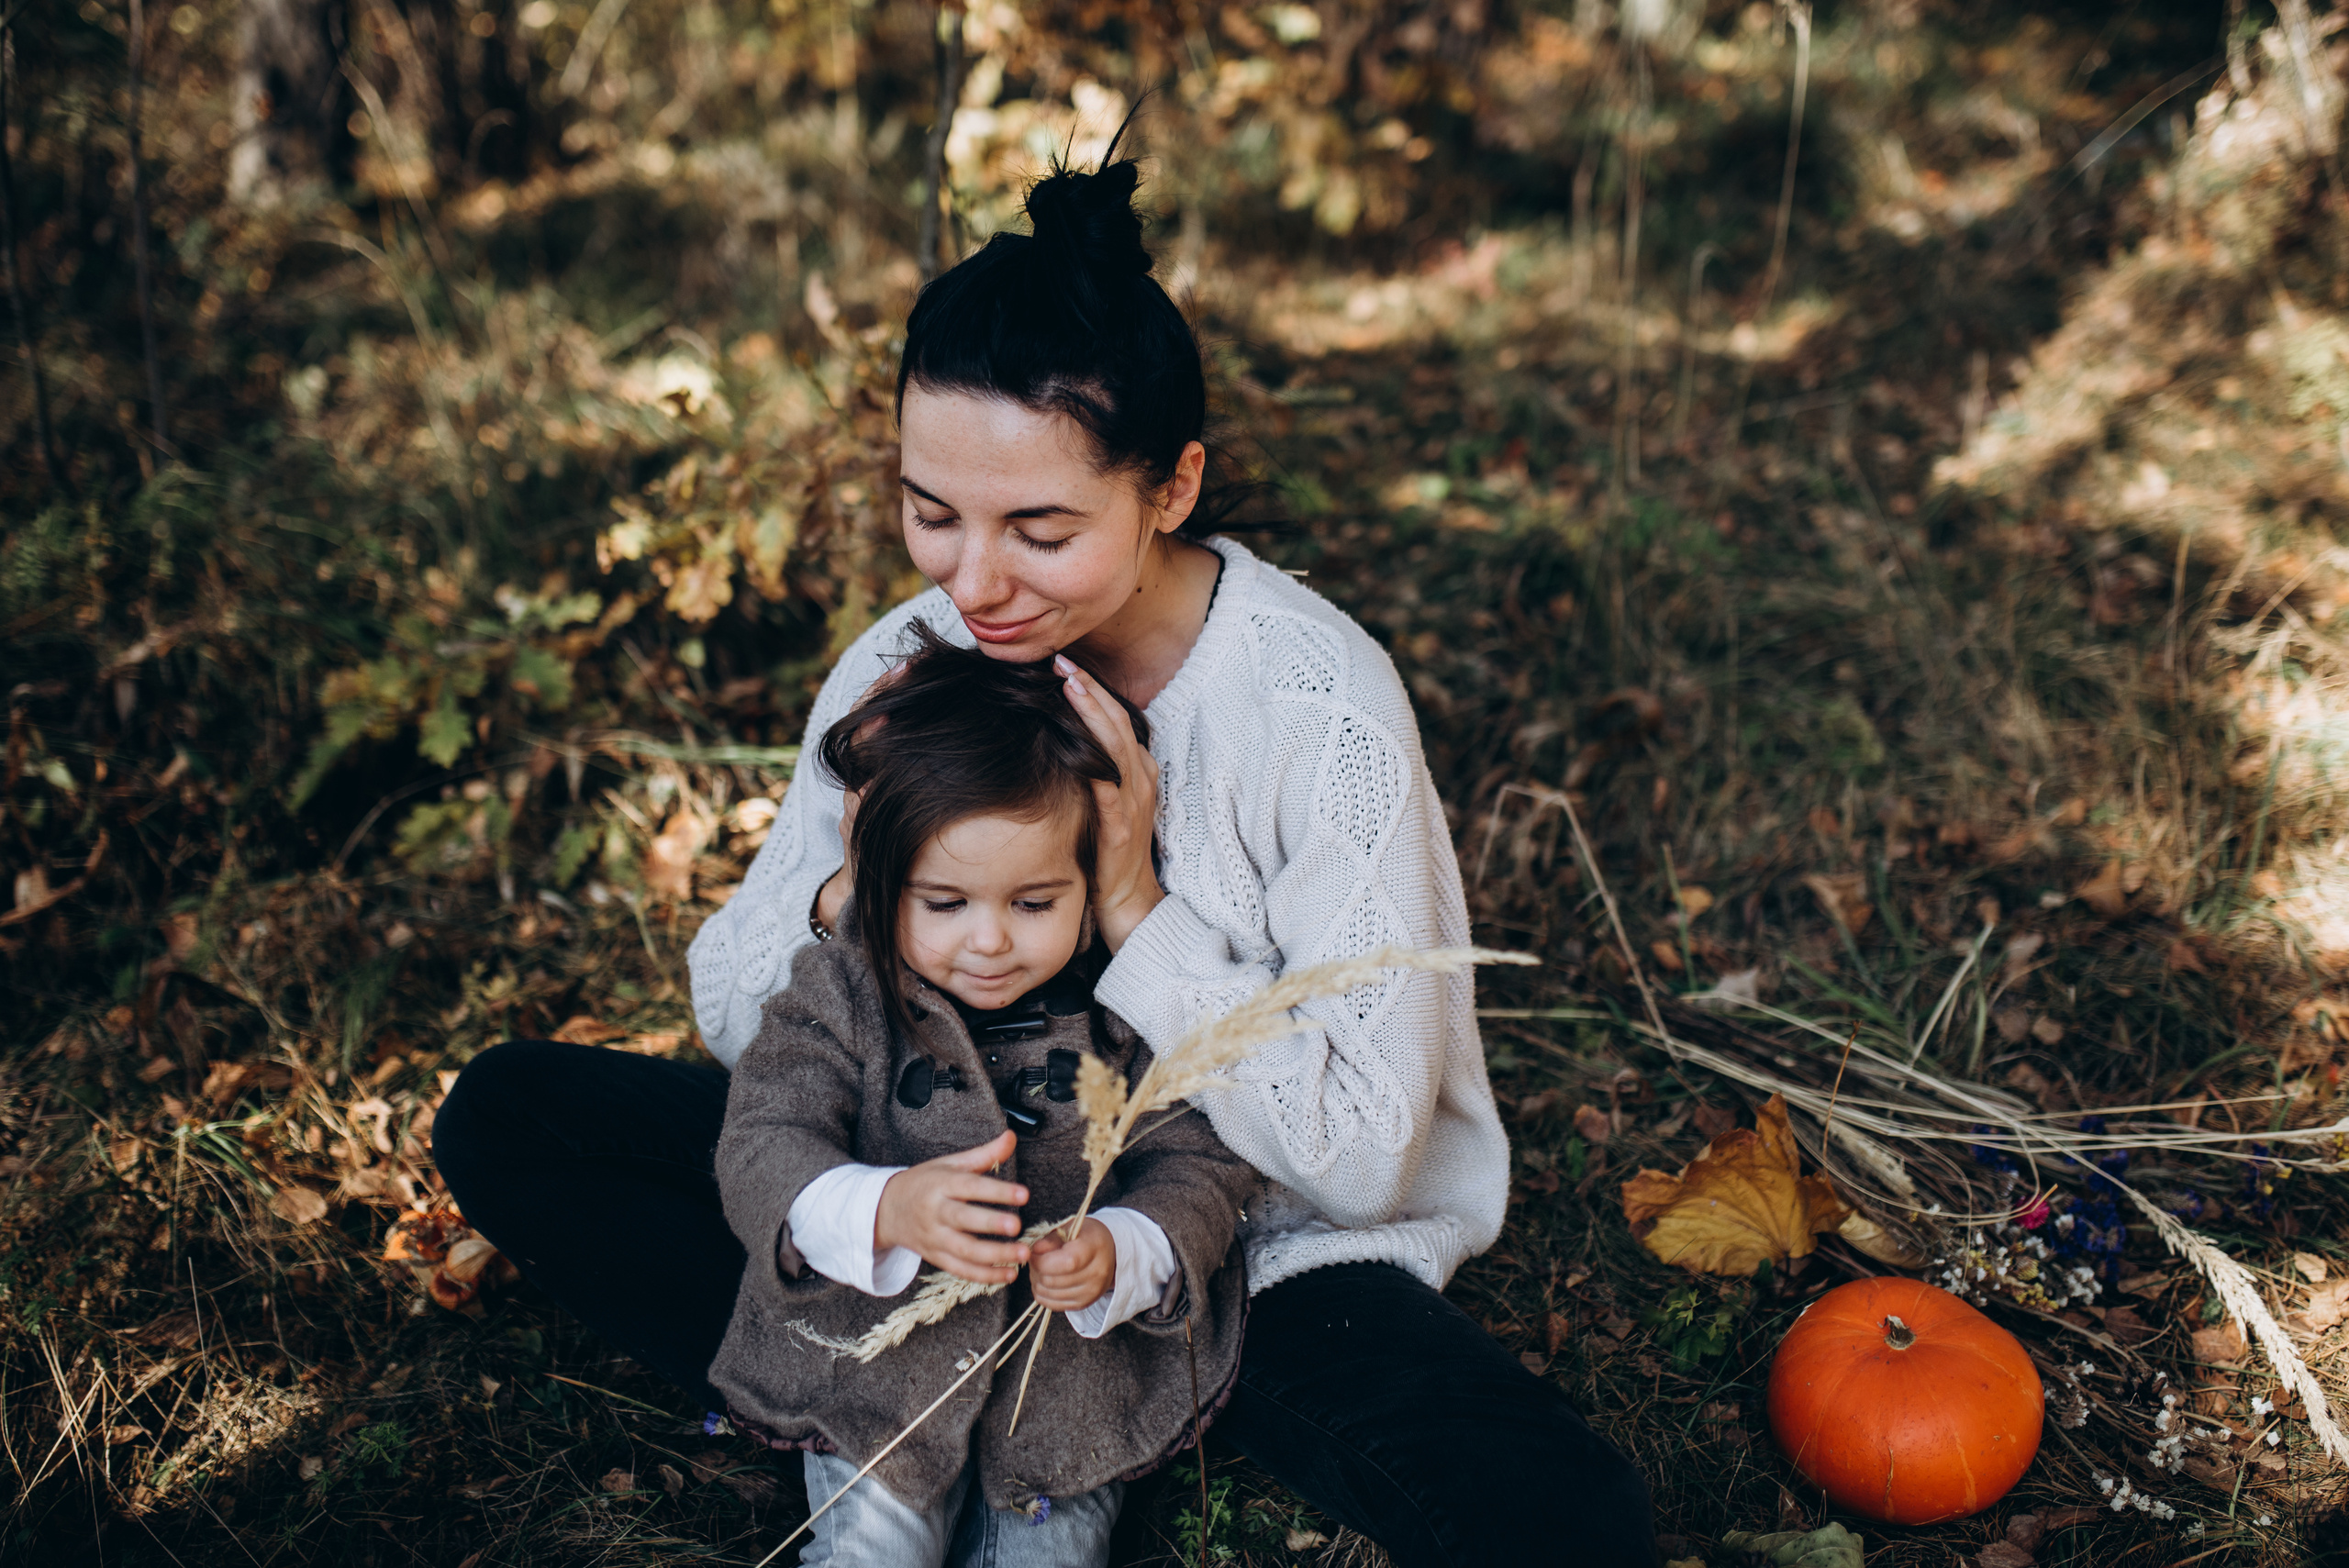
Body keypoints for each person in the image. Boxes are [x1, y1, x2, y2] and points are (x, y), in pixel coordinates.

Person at [435, 141, 1655, 1567]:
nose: (974, 581)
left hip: (1227, 1251)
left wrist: (1137, 907)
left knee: (1562, 1520)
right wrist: (867, 890)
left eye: (1042, 528)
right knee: (515, 1116)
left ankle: (1098, 1386)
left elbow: (1367, 1159)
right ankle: (891, 1368)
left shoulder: (1316, 711)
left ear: (1173, 486)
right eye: (931, 512)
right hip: (930, 1200)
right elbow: (735, 1003)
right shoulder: (913, 661)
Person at [712, 627, 1255, 1566]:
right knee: (869, 1552)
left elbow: (1199, 1161)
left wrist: (1123, 1246)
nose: (990, 940)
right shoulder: (843, 990)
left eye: (1034, 902)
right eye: (945, 901)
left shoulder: (1120, 1005)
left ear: (1094, 877)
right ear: (884, 885)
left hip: (1070, 1396)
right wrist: (883, 1204)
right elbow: (763, 1139)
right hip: (874, 1382)